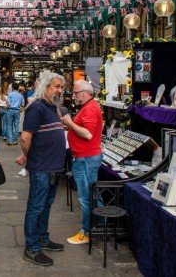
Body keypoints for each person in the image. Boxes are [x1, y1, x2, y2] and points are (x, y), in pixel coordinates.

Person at [15, 73, 67, 267]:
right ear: (45, 86)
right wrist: (28, 157)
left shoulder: (52, 108)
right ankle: (32, 248)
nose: (60, 90)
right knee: (36, 207)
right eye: (56, 86)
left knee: (46, 205)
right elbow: (25, 137)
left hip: (52, 166)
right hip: (41, 167)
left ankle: (43, 239)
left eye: (62, 87)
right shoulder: (37, 108)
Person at [61, 80, 104, 245]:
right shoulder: (89, 107)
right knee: (92, 194)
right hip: (85, 157)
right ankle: (99, 226)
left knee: (85, 197)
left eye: (76, 93)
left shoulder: (90, 108)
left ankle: (87, 232)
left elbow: (87, 134)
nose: (74, 95)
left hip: (86, 159)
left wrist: (69, 123)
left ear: (85, 93)